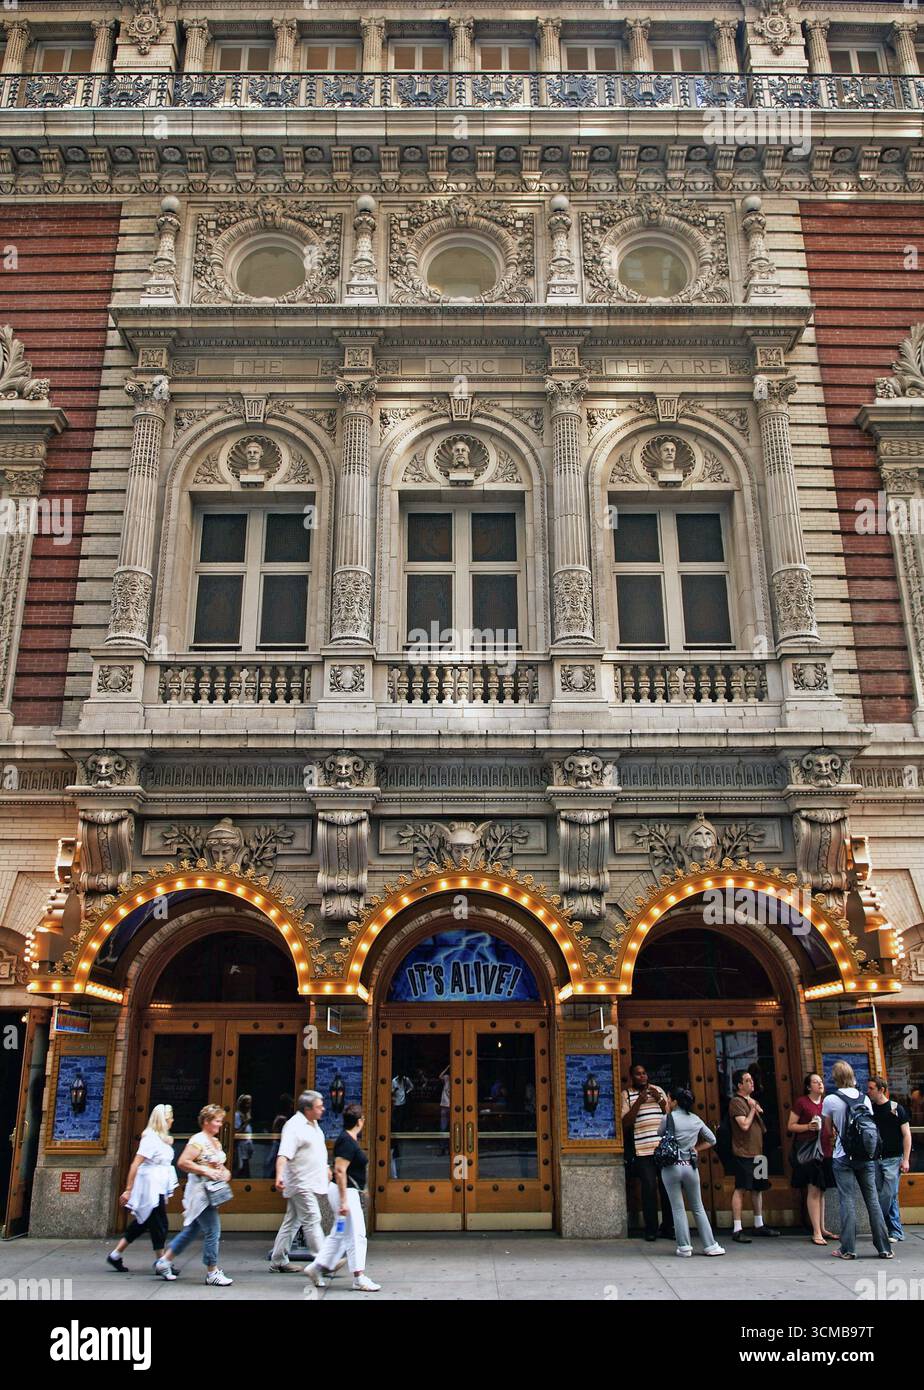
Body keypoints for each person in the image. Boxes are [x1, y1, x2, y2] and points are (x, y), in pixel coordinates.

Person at [304, 1104, 381, 1292]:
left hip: (348, 1191)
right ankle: (358, 1277)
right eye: (363, 1118)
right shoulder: (346, 1141)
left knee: (339, 1234)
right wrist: (345, 1200)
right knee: (357, 1234)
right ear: (360, 1121)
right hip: (344, 1193)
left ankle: (316, 1267)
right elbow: (340, 1170)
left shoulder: (348, 1139)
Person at [821, 1060, 893, 1261]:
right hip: (866, 1157)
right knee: (873, 1201)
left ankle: (848, 1249)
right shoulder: (865, 1098)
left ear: (835, 1077)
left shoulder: (831, 1100)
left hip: (843, 1156)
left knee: (847, 1201)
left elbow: (827, 1131)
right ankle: (884, 1248)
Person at [155, 1103, 233, 1285]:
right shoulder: (198, 1140)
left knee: (192, 1230)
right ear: (206, 1121)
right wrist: (206, 1171)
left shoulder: (215, 1142)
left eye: (221, 1121)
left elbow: (219, 1166)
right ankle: (212, 1271)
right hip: (200, 1194)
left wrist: (224, 1173)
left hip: (211, 1191)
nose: (220, 1125)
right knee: (213, 1230)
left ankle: (164, 1261)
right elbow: (183, 1162)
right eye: (217, 1121)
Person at [107, 1103, 178, 1274]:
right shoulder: (150, 1139)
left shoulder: (161, 1138)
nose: (172, 1121)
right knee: (160, 1223)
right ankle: (161, 1262)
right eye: (169, 1118)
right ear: (163, 1120)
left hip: (158, 1184)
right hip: (150, 1187)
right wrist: (128, 1189)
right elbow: (135, 1164)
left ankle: (115, 1254)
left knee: (142, 1222)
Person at [657, 1087, 725, 1257]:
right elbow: (712, 1139)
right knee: (698, 1207)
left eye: (669, 1099)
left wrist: (666, 1112)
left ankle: (684, 1247)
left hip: (671, 1167)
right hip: (690, 1166)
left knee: (678, 1208)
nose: (668, 1102)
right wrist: (696, 1148)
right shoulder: (696, 1119)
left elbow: (659, 1133)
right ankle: (710, 1245)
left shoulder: (668, 1118)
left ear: (675, 1102)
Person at [269, 1090, 331, 1271]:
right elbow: (284, 1154)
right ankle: (323, 1262)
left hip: (311, 1181)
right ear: (307, 1109)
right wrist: (279, 1175)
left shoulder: (314, 1124)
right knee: (313, 1218)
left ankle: (278, 1260)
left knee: (292, 1221)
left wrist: (326, 1167)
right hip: (300, 1182)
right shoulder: (294, 1126)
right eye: (319, 1107)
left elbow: (316, 1150)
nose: (323, 1110)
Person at [621, 1062, 674, 1242]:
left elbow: (669, 1115)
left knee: (667, 1188)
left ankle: (668, 1227)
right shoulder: (627, 1095)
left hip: (662, 1149)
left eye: (644, 1073)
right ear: (632, 1077)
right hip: (643, 1150)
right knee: (649, 1188)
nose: (642, 1076)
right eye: (638, 1074)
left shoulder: (657, 1089)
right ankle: (650, 1229)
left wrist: (659, 1099)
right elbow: (625, 1123)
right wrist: (639, 1102)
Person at [729, 1068, 780, 1242]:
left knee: (759, 1188)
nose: (752, 1083)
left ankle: (759, 1224)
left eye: (752, 1080)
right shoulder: (736, 1102)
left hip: (758, 1152)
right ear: (739, 1085)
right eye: (748, 1080)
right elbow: (743, 1125)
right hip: (744, 1153)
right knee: (741, 1188)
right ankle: (737, 1228)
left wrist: (755, 1107)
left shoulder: (752, 1100)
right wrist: (752, 1110)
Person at [788, 1073, 837, 1246]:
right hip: (809, 1151)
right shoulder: (802, 1102)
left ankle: (822, 1228)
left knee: (822, 1190)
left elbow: (831, 1125)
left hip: (826, 1150)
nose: (820, 1084)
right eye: (816, 1082)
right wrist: (808, 1126)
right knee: (814, 1190)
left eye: (821, 1082)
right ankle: (816, 1231)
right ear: (809, 1087)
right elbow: (791, 1125)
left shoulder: (827, 1103)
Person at [867, 1076, 912, 1243]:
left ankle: (878, 1223)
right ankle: (895, 1231)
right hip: (875, 1158)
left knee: (888, 1193)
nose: (868, 1091)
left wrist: (905, 1159)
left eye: (871, 1088)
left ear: (881, 1090)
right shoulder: (870, 1110)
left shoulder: (896, 1108)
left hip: (894, 1158)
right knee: (888, 1195)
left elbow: (907, 1135)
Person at [233, 1094, 254, 1178]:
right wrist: (246, 1123)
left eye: (250, 1103)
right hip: (240, 1148)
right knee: (241, 1170)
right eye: (247, 1103)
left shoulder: (247, 1115)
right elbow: (237, 1132)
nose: (249, 1106)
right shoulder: (237, 1116)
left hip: (247, 1147)